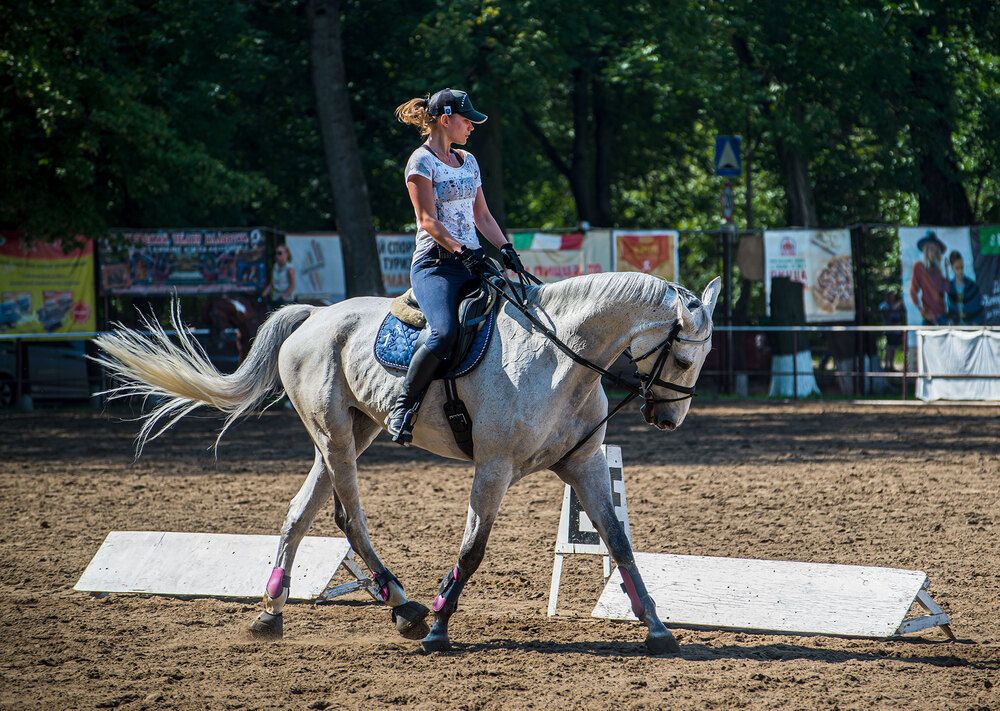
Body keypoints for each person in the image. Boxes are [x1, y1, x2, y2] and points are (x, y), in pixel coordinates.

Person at [387, 88, 525, 445]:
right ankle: (403, 406)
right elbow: (427, 220)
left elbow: (481, 215)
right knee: (443, 333)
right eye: (468, 121)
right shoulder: (421, 162)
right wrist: (461, 250)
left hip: (472, 259)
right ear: (446, 120)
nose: (472, 127)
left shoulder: (469, 161)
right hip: (436, 265)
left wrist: (506, 249)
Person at [908, 230, 947, 325]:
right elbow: (913, 292)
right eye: (931, 249)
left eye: (936, 250)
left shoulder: (938, 270)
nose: (933, 253)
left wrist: (946, 271)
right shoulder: (918, 266)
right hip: (928, 318)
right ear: (926, 250)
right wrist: (922, 311)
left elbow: (946, 289)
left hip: (942, 316)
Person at [946, 251, 984, 324]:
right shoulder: (949, 287)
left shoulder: (972, 286)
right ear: (952, 267)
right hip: (955, 329)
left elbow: (979, 311)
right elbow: (949, 310)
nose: (960, 271)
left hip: (971, 329)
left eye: (962, 267)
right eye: (957, 268)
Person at [263, 244, 296, 310]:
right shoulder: (275, 267)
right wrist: (264, 294)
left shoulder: (289, 268)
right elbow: (272, 283)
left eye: (279, 253)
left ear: (286, 254)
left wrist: (284, 296)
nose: (277, 256)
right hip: (275, 298)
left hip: (286, 300)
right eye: (276, 253)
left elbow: (292, 285)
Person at [878, 290, 904, 371]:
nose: (893, 297)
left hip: (896, 330)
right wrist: (895, 307)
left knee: (894, 348)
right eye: (892, 295)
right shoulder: (883, 305)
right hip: (889, 330)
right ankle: (887, 365)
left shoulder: (894, 305)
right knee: (889, 348)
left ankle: (891, 365)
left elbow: (899, 316)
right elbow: (886, 315)